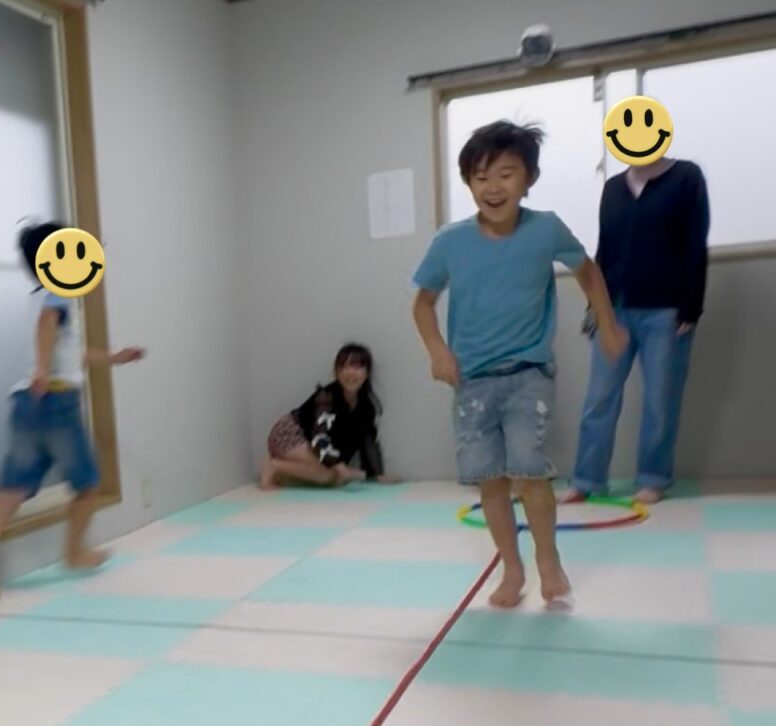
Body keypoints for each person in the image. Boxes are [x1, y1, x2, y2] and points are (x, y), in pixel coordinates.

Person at [411, 120, 627, 608]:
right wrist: (437, 350)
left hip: (529, 373)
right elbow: (422, 304)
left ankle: (548, 560)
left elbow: (588, 271)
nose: (493, 187)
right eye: (481, 176)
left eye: (506, 174)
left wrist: (608, 323)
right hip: (471, 381)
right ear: (468, 183)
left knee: (530, 473)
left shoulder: (545, 229)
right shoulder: (450, 242)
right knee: (490, 482)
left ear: (529, 179)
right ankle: (511, 567)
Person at [0, 221, 145, 602]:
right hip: (56, 403)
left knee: (14, 486)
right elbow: (48, 326)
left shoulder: (39, 296)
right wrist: (44, 371)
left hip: (26, 403)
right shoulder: (57, 296)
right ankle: (74, 552)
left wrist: (114, 357)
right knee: (88, 484)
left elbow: (72, 353)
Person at [560, 156, 709, 506]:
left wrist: (692, 305)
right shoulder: (613, 187)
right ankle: (586, 480)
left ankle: (653, 479)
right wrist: (595, 307)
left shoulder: (686, 177)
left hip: (666, 310)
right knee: (599, 398)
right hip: (614, 309)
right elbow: (605, 249)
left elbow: (695, 242)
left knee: (661, 400)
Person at [260, 343, 398, 489]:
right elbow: (319, 436)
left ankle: (284, 471)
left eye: (357, 367)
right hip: (289, 433)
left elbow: (368, 440)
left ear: (367, 372)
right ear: (336, 372)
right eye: (343, 367)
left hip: (310, 439)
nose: (350, 373)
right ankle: (273, 466)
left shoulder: (366, 406)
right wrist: (338, 465)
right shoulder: (326, 397)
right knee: (328, 475)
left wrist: (377, 474)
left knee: (334, 478)